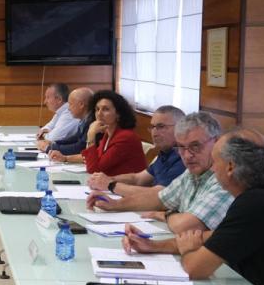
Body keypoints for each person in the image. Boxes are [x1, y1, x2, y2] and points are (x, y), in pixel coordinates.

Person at [122, 129, 264, 285]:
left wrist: (188, 251)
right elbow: (211, 239)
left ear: (230, 167)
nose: (213, 169)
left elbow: (195, 268)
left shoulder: (255, 203)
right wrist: (152, 246)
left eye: (215, 162)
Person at [87, 112, 232, 233]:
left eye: (195, 146)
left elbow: (188, 225)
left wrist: (168, 214)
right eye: (181, 147)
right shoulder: (191, 173)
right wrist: (115, 204)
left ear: (217, 142)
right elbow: (159, 198)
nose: (187, 156)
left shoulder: (225, 179)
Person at [87, 105, 185, 196]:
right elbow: (137, 179)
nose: (154, 133)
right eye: (152, 127)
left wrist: (111, 184)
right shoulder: (165, 153)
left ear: (180, 128)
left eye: (161, 127)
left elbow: (158, 194)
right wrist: (108, 179)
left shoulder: (184, 157)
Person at [68, 90, 146, 176]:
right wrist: (65, 158)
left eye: (105, 109)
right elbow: (93, 157)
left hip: (129, 187)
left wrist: (90, 136)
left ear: (118, 114)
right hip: (111, 185)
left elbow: (94, 169)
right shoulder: (108, 134)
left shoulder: (125, 137)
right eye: (97, 109)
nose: (99, 114)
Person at [43, 87, 94, 156]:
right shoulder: (84, 119)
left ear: (81, 104)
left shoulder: (92, 122)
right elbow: (74, 139)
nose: (69, 108)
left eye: (71, 104)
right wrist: (53, 144)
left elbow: (80, 148)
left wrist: (49, 148)